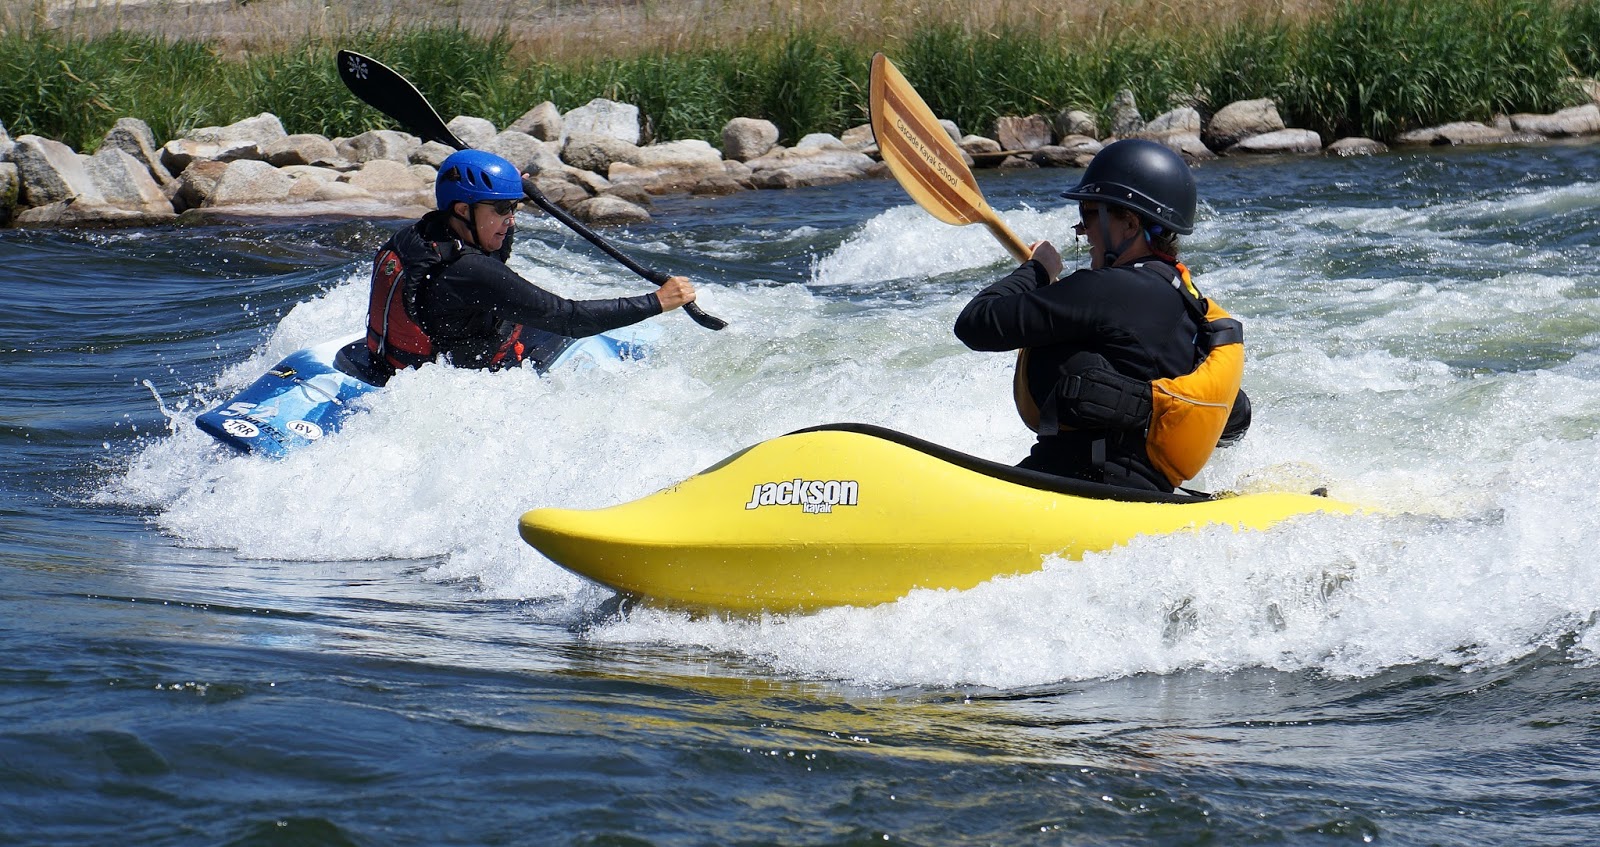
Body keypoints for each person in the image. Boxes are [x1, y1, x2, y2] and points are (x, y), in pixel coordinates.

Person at [953, 138, 1250, 493]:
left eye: (1090, 213)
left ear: (1129, 222)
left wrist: (1036, 271)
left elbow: (975, 323)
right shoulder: (1184, 300)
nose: (1083, 230)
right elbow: (1233, 419)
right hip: (1131, 490)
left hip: (1082, 486)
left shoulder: (1110, 290)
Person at [360, 149, 696, 380]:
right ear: (463, 210)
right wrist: (657, 302)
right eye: (502, 209)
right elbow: (568, 318)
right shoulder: (470, 271)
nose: (510, 219)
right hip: (457, 378)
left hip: (397, 360)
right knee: (557, 327)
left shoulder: (421, 234)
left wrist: (504, 192)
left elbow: (491, 252)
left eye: (514, 208)